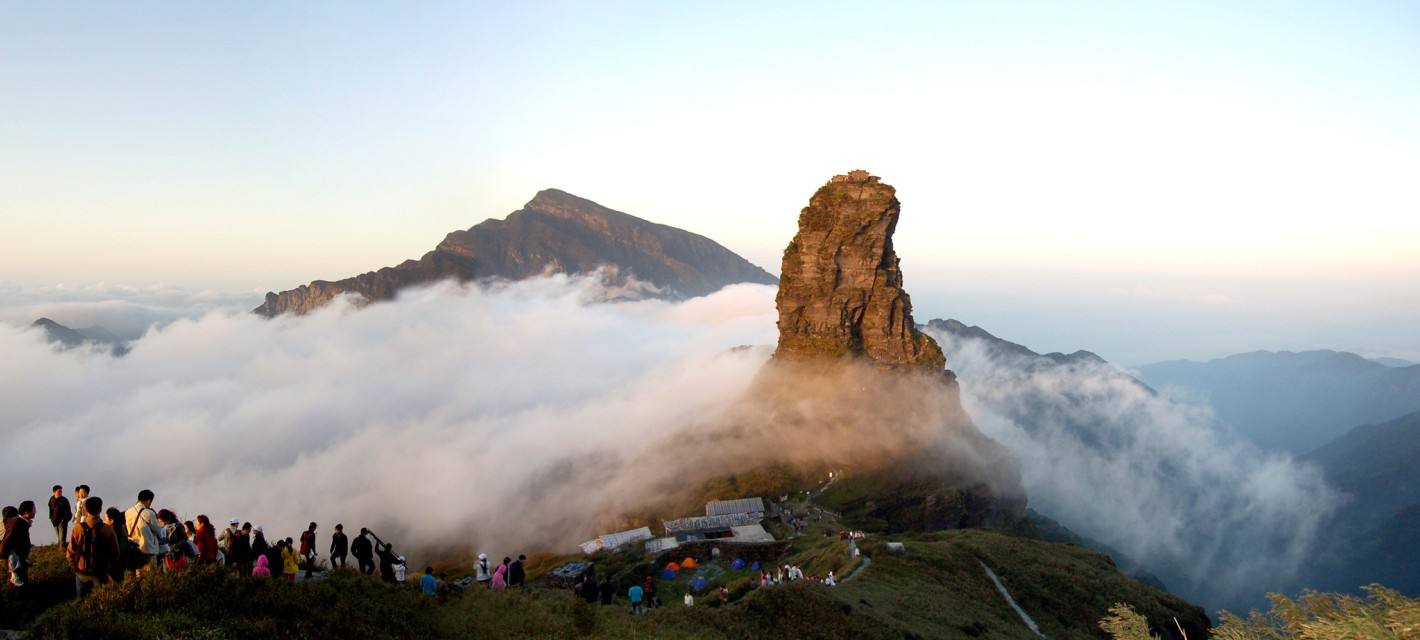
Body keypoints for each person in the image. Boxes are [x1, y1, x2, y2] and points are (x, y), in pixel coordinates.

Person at [68, 496, 119, 600]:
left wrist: (75, 567)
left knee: (82, 603)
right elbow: (115, 553)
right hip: (101, 572)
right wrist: (108, 566)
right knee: (102, 601)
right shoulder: (107, 530)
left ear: (85, 509)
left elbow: (70, 551)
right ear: (100, 509)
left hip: (81, 573)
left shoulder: (78, 529)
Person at [123, 490, 164, 578]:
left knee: (137, 576)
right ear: (149, 500)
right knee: (149, 578)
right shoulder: (149, 513)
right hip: (147, 549)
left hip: (134, 548)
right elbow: (157, 530)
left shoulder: (128, 512)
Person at [1, 501, 36, 586]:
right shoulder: (18, 523)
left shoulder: (22, 523)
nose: (35, 512)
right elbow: (7, 541)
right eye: (34, 509)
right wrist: (3, 555)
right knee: (18, 584)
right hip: (16, 559)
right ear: (27, 512)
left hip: (19, 559)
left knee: (20, 582)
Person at [104, 508, 129, 583]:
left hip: (114, 572)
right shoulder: (121, 532)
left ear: (111, 521)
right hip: (120, 569)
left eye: (105, 519)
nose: (103, 521)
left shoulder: (114, 536)